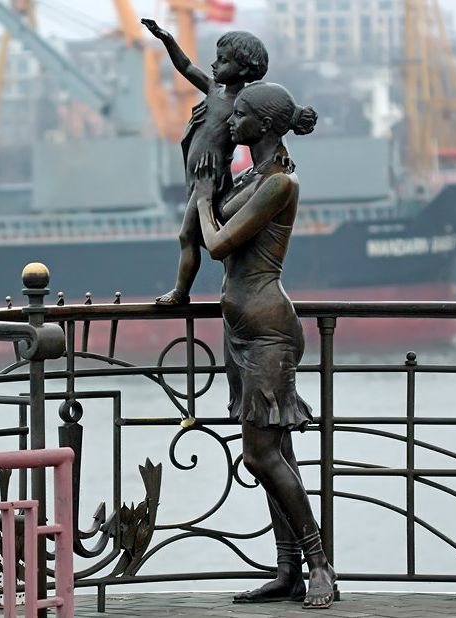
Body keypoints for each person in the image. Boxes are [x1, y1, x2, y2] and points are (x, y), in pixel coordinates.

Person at [193, 81, 336, 609]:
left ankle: (319, 566)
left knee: (259, 457)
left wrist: (204, 199)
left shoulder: (279, 184)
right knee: (279, 453)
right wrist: (208, 179)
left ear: (266, 125)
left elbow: (217, 243)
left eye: (241, 115)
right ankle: (287, 570)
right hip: (241, 331)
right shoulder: (251, 176)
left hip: (269, 331)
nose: (232, 122)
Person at [141, 19, 268, 306]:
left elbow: (268, 123)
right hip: (197, 177)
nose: (214, 64)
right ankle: (239, 282)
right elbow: (186, 67)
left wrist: (292, 125)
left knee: (188, 235)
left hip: (210, 179)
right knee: (213, 237)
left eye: (223, 60)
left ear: (244, 69)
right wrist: (167, 39)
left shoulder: (243, 104)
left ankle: (181, 293)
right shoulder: (213, 90)